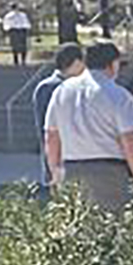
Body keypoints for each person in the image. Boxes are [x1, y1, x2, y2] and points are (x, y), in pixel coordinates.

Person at [43, 41, 133, 211]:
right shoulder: (119, 95)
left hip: (72, 169)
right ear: (113, 64)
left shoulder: (62, 91)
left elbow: (51, 136)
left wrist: (55, 171)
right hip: (110, 172)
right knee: (113, 227)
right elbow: (131, 141)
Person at [31, 43, 87, 185]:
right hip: (60, 161)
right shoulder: (50, 87)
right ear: (76, 62)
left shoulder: (70, 86)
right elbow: (50, 129)